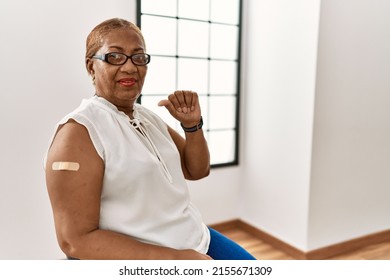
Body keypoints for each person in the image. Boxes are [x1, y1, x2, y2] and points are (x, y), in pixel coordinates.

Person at [45, 18, 255, 260]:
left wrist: (192, 125)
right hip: (149, 255)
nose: (130, 67)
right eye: (115, 56)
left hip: (196, 237)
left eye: (139, 57)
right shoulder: (79, 132)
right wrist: (178, 259)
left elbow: (197, 170)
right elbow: (75, 241)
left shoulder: (147, 117)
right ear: (91, 66)